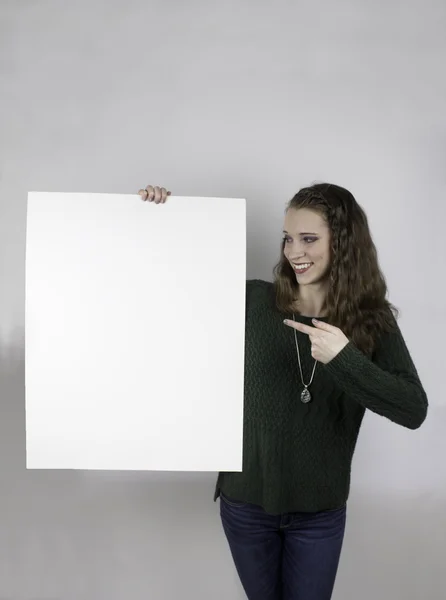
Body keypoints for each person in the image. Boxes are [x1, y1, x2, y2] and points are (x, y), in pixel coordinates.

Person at [138, 182, 428, 600]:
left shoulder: (372, 322)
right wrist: (157, 219)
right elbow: (166, 289)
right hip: (245, 504)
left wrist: (344, 357)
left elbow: (412, 409)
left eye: (309, 239)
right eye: (288, 238)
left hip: (319, 514)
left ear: (344, 243)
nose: (294, 252)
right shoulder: (253, 301)